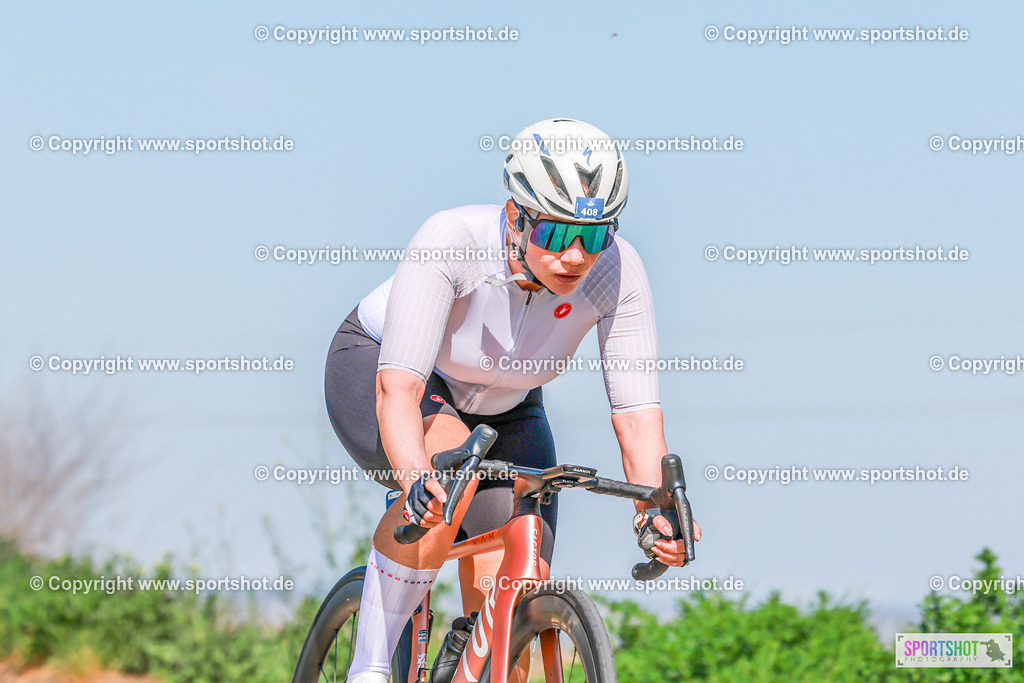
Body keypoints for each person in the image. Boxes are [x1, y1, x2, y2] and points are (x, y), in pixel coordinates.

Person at [324, 118, 702, 682]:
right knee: (449, 484)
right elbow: (397, 389)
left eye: (594, 236)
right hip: (392, 370)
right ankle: (372, 669)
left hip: (509, 406)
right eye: (555, 234)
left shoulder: (619, 275)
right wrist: (414, 479)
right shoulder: (453, 241)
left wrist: (653, 513)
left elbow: (638, 417)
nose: (575, 255)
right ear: (514, 215)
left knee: (509, 607)